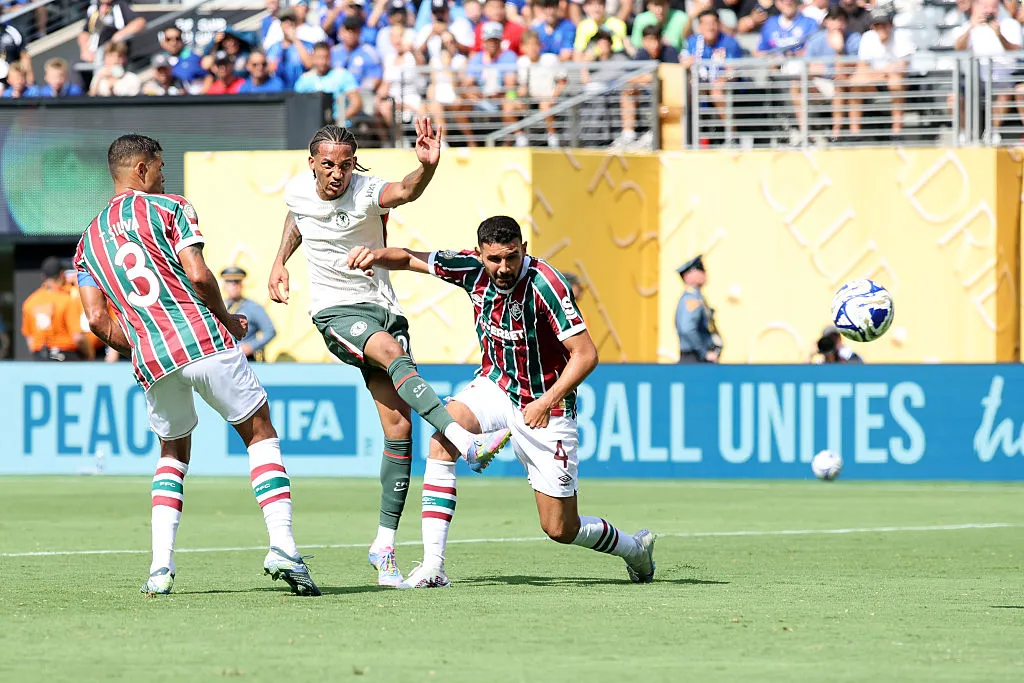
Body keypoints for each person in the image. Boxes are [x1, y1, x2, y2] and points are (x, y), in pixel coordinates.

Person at [345, 215, 657, 589]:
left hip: (547, 406)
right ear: (480, 254)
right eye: (494, 259)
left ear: (523, 249)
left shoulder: (547, 284)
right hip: (496, 385)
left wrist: (545, 401)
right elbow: (410, 258)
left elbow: (586, 354)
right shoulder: (469, 269)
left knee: (559, 527)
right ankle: (433, 567)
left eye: (511, 257)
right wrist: (373, 256)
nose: (504, 267)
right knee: (444, 438)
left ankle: (634, 550)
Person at [267, 122, 511, 586]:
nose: (337, 174)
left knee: (399, 430)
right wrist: (280, 260)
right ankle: (464, 440)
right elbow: (296, 218)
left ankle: (383, 546)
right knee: (392, 353)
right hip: (336, 311)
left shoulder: (366, 191)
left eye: (345, 164)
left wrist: (426, 167)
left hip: (383, 309)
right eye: (328, 165)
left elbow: (404, 191)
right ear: (312, 162)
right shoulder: (298, 190)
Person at [74, 134, 319, 597]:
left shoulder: (87, 242)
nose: (164, 176)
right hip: (203, 338)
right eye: (160, 168)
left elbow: (97, 319)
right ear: (142, 169)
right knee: (259, 432)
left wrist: (146, 339)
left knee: (172, 453)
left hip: (152, 359)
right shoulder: (169, 208)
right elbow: (200, 275)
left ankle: (160, 569)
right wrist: (228, 320)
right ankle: (282, 545)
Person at [849, 7, 915, 136]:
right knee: (855, 82)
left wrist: (876, 73)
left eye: (883, 24)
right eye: (877, 25)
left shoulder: (901, 36)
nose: (881, 28)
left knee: (895, 82)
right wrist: (885, 72)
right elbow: (861, 67)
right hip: (878, 80)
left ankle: (897, 129)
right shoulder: (868, 37)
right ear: (873, 26)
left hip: (898, 81)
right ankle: (854, 132)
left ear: (890, 25)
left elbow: (902, 68)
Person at [21, 257, 80, 361]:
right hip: (66, 356)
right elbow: (78, 337)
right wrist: (89, 355)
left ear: (43, 276)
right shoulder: (66, 300)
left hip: (40, 357)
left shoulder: (30, 301)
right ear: (62, 274)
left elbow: (30, 339)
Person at [295, 42, 364, 126]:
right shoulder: (304, 80)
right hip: (312, 127)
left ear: (331, 57)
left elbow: (356, 103)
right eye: (319, 58)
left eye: (326, 57)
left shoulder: (342, 75)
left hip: (339, 128)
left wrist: (336, 120)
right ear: (312, 58)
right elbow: (296, 105)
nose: (322, 62)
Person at [221, 266, 277, 361]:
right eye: (230, 282)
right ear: (225, 286)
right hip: (224, 356)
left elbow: (270, 331)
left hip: (245, 358)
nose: (234, 286)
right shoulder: (221, 306)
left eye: (237, 282)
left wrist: (251, 346)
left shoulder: (253, 307)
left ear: (242, 285)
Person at [674, 254, 721, 363]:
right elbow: (687, 328)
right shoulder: (692, 299)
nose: (704, 273)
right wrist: (703, 352)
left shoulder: (698, 298)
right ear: (687, 276)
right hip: (694, 357)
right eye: (699, 269)